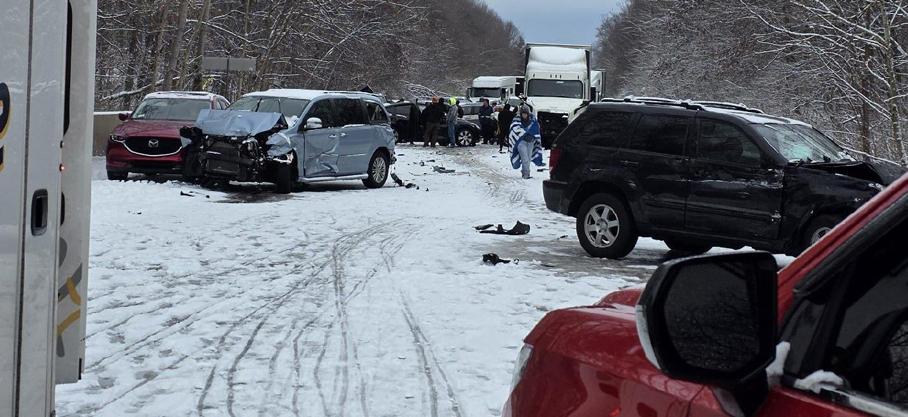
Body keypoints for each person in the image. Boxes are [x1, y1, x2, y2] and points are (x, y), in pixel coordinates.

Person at [509, 105, 544, 179]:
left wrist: (533, 137)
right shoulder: (516, 120)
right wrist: (523, 135)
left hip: (531, 141)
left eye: (526, 113)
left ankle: (525, 171)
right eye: (523, 113)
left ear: (528, 113)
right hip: (521, 142)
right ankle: (526, 174)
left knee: (528, 158)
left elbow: (536, 130)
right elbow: (514, 129)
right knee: (524, 158)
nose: (524, 115)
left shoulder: (533, 120)